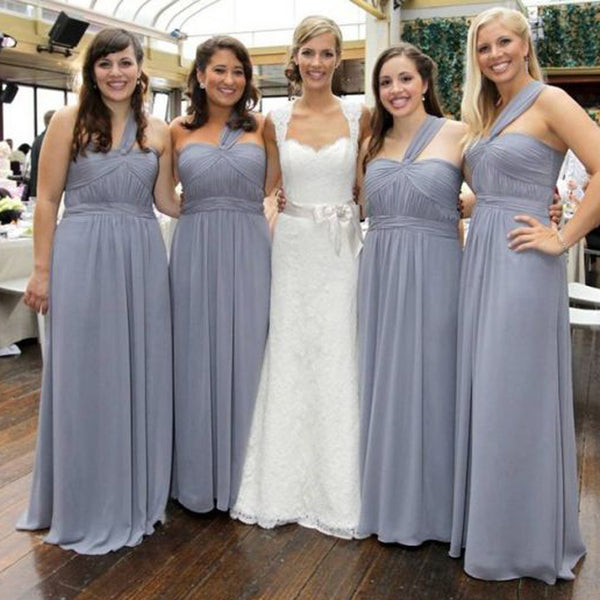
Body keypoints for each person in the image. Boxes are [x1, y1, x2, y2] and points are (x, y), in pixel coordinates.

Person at [450, 7, 599, 583]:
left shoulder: (550, 100)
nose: (495, 55)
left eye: (504, 42)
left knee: (514, 392)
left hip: (523, 261)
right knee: (487, 389)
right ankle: (493, 527)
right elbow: (487, 185)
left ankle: (520, 540)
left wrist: (562, 235)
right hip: (481, 257)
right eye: (484, 47)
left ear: (525, 45)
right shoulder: (484, 111)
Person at [18, 27, 180, 554]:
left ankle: (132, 489)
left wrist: (242, 200)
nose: (116, 73)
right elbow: (47, 201)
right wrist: (41, 271)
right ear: (91, 71)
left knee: (139, 369)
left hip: (141, 255)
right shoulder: (67, 121)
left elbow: (167, 201)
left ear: (140, 68)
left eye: (125, 62)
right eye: (105, 63)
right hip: (82, 252)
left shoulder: (158, 131)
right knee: (83, 372)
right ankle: (82, 497)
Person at [231, 15, 370, 538]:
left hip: (340, 250)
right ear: (295, 57)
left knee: (338, 350)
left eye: (327, 53)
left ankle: (342, 486)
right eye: (308, 53)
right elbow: (268, 186)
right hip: (292, 247)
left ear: (338, 59)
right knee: (289, 349)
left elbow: (368, 186)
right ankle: (280, 482)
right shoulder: (274, 119)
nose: (317, 62)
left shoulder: (360, 114)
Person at [356, 44, 464, 545]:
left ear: (424, 83)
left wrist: (543, 209)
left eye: (404, 79)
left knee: (435, 378)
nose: (395, 90)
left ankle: (437, 507)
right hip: (380, 269)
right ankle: (388, 498)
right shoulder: (370, 142)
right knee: (385, 380)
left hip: (437, 269)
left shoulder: (459, 134)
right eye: (385, 82)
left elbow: (487, 192)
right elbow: (356, 205)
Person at [169, 36, 271, 513]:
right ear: (200, 75)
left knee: (249, 353)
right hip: (194, 248)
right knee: (194, 354)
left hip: (250, 247)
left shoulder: (264, 127)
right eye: (219, 70)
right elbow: (162, 194)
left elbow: (277, 186)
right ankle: (196, 477)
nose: (229, 80)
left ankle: (246, 480)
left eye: (238, 71)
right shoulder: (176, 130)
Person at [26, 110, 56, 200]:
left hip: (38, 189)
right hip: (50, 192)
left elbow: (34, 169)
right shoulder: (52, 140)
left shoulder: (37, 140)